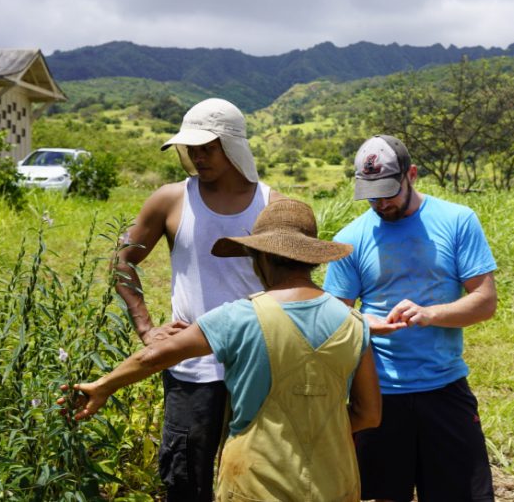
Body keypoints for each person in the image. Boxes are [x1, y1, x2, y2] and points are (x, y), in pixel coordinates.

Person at [62, 198, 381, 500]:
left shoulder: (241, 316)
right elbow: (369, 414)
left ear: (263, 258)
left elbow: (155, 356)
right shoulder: (353, 323)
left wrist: (103, 386)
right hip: (334, 483)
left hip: (255, 483)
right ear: (311, 259)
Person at [113, 97, 280, 501]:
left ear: (233, 145)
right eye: (192, 149)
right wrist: (147, 328)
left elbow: (288, 286)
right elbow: (122, 260)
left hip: (256, 363)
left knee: (256, 475)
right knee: (185, 476)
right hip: (191, 366)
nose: (198, 158)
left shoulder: (271, 206)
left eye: (208, 148)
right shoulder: (171, 200)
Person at [323, 134, 498, 502]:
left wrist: (429, 314)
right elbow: (331, 316)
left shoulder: (456, 221)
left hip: (444, 387)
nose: (381, 203)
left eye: (389, 191)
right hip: (378, 395)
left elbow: (484, 301)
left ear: (412, 174)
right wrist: (364, 323)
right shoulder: (350, 239)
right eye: (372, 194)